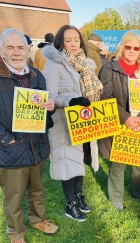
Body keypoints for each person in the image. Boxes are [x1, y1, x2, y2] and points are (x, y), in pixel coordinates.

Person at [0, 29, 59, 243]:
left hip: (37, 147)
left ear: (28, 49)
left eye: (21, 47)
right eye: (10, 47)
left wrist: (49, 108)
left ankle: (38, 219)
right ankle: (16, 233)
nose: (16, 52)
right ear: (1, 50)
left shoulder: (36, 75)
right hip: (10, 150)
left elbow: (42, 110)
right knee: (14, 196)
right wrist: (6, 138)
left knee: (37, 190)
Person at [42, 25, 103, 222]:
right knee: (67, 163)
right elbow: (49, 96)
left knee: (80, 160)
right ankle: (71, 204)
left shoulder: (83, 63)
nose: (74, 43)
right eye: (69, 40)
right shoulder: (54, 64)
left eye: (76, 39)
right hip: (64, 123)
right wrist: (71, 101)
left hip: (83, 121)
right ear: (61, 42)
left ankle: (78, 195)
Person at [98, 31, 140, 211]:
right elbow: (105, 97)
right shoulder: (110, 68)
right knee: (119, 161)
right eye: (128, 47)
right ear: (122, 47)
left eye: (136, 48)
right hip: (120, 122)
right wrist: (125, 118)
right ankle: (116, 196)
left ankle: (139, 192)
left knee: (138, 160)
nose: (132, 51)